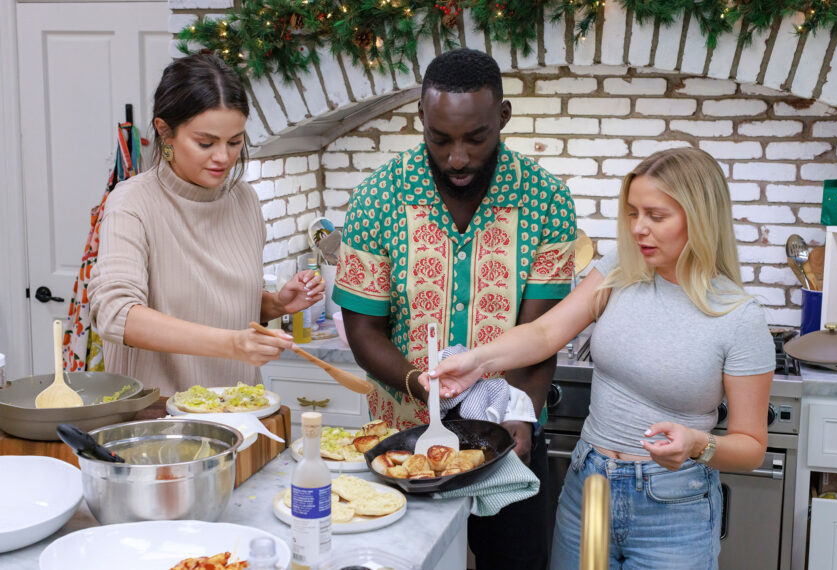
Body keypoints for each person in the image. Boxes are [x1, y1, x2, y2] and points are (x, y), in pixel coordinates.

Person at [423, 147, 775, 569]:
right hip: (590, 490)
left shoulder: (739, 317)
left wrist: (698, 444)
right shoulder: (617, 271)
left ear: (700, 217)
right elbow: (545, 332)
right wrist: (476, 362)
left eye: (656, 216)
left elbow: (751, 447)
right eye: (632, 213)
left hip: (674, 505)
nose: (639, 228)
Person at [332, 48, 577, 570]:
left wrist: (522, 413)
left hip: (511, 439)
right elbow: (364, 330)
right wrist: (418, 381)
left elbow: (542, 333)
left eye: (476, 138)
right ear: (421, 118)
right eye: (440, 139)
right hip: (403, 445)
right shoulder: (378, 197)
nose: (458, 157)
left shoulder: (548, 200)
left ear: (503, 118)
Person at [90, 53, 324, 394]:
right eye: (205, 143)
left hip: (239, 414)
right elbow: (116, 314)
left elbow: (212, 300)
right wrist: (232, 344)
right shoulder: (132, 203)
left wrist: (274, 304)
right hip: (159, 426)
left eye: (234, 142)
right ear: (165, 132)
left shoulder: (244, 200)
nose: (223, 158)